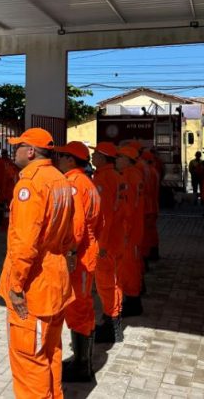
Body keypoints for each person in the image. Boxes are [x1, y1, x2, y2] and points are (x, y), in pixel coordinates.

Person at [0, 128, 75, 398]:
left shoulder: (30, 184)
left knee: (30, 362)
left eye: (18, 146)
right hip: (55, 282)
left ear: (30, 151)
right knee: (50, 352)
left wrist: (16, 287)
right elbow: (68, 235)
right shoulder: (61, 180)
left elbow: (24, 243)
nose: (13, 150)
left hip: (34, 289)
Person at [54, 141, 101, 383]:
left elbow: (77, 225)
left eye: (62, 156)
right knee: (83, 307)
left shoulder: (73, 184)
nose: (58, 160)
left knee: (79, 308)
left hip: (79, 257)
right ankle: (82, 360)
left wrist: (71, 253)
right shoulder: (88, 183)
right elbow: (98, 223)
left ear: (71, 160)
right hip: (87, 254)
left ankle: (82, 365)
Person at [91, 142, 124, 343]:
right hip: (117, 238)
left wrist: (101, 245)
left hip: (107, 241)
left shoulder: (103, 179)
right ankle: (114, 318)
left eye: (95, 154)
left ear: (103, 158)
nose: (92, 157)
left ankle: (111, 324)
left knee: (105, 283)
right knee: (115, 281)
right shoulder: (117, 177)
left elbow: (105, 216)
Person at [116, 145, 145, 317]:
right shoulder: (135, 174)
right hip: (135, 228)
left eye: (119, 157)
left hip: (130, 229)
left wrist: (124, 231)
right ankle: (133, 296)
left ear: (127, 159)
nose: (116, 160)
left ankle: (133, 300)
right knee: (132, 264)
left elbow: (128, 208)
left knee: (129, 265)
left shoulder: (128, 176)